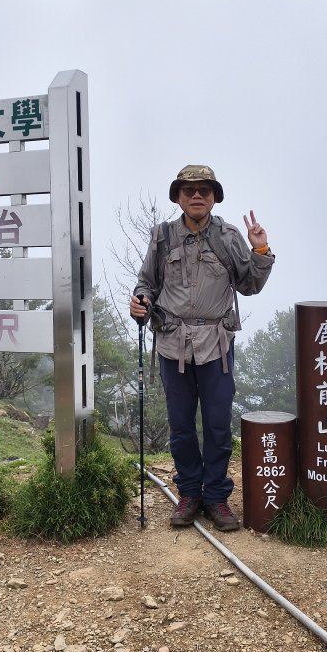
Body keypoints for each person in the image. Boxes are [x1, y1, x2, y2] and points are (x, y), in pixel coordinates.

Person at [130, 165, 275, 531]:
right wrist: (141, 300)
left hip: (217, 344)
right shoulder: (162, 237)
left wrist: (259, 248)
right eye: (189, 190)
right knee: (181, 426)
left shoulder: (228, 237)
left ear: (214, 197)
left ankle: (217, 497)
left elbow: (249, 285)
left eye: (204, 190)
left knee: (216, 424)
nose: (197, 196)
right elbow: (147, 282)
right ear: (178, 196)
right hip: (172, 345)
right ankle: (190, 493)